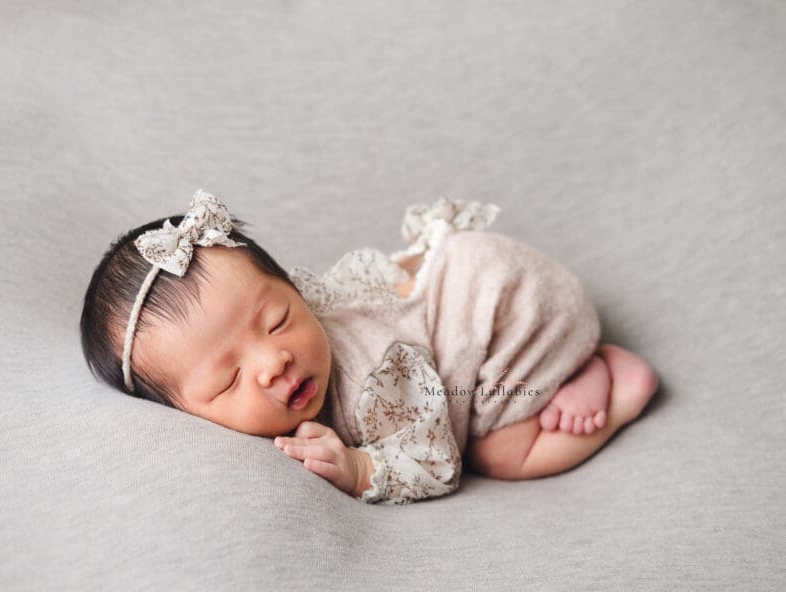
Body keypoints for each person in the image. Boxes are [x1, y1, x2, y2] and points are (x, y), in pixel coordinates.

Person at [80, 189, 659, 505]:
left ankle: (607, 378)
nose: (272, 361)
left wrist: (361, 467)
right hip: (467, 286)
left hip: (512, 314)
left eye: (278, 319)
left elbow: (439, 461)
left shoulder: (374, 383)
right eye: (227, 379)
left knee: (503, 454)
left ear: (297, 290)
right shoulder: (282, 365)